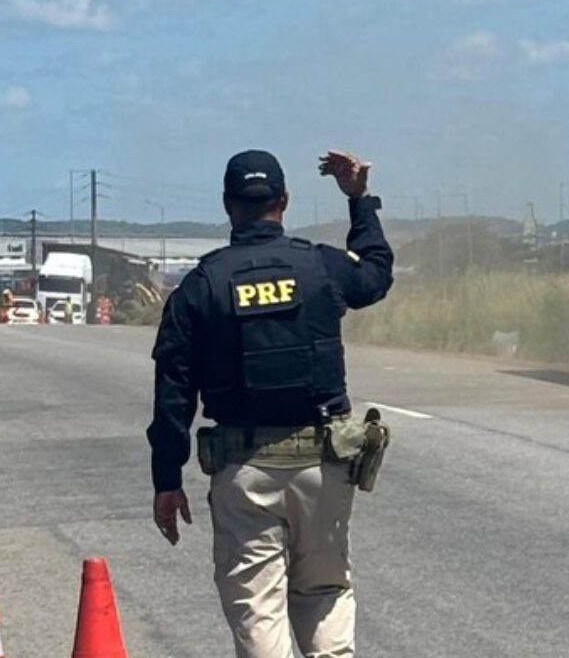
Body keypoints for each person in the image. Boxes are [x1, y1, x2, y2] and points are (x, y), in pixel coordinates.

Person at [147, 149, 394, 657]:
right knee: (324, 592)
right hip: (323, 468)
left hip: (246, 473)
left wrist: (167, 481)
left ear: (226, 205)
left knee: (259, 610)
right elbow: (375, 275)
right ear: (284, 201)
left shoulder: (201, 286)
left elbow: (173, 392)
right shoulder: (319, 266)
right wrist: (359, 201)